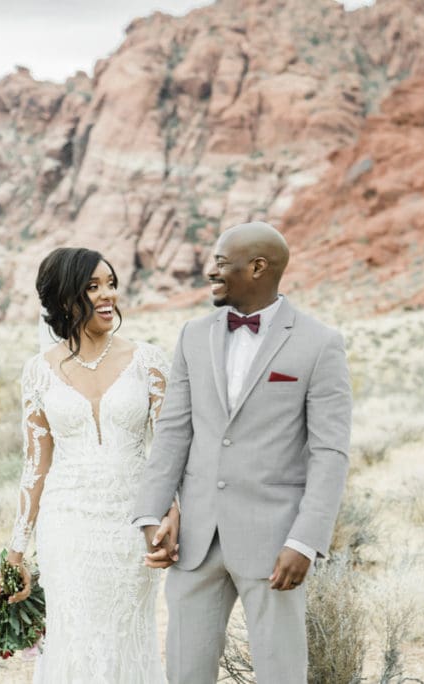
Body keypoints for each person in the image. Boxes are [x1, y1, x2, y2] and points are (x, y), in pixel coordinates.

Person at [133, 221, 352, 683]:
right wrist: (152, 514)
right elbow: (173, 430)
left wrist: (304, 541)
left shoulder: (319, 344)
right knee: (185, 673)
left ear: (257, 267)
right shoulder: (193, 335)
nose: (210, 271)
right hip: (195, 540)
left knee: (280, 673)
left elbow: (330, 452)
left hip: (275, 543)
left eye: (220, 262)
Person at [5, 247, 179, 683]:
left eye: (111, 284)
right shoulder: (38, 371)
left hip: (133, 522)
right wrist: (17, 547)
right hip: (67, 525)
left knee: (128, 634)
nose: (108, 296)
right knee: (74, 635)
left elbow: (171, 450)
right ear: (65, 299)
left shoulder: (149, 361)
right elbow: (35, 465)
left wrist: (174, 511)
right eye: (93, 287)